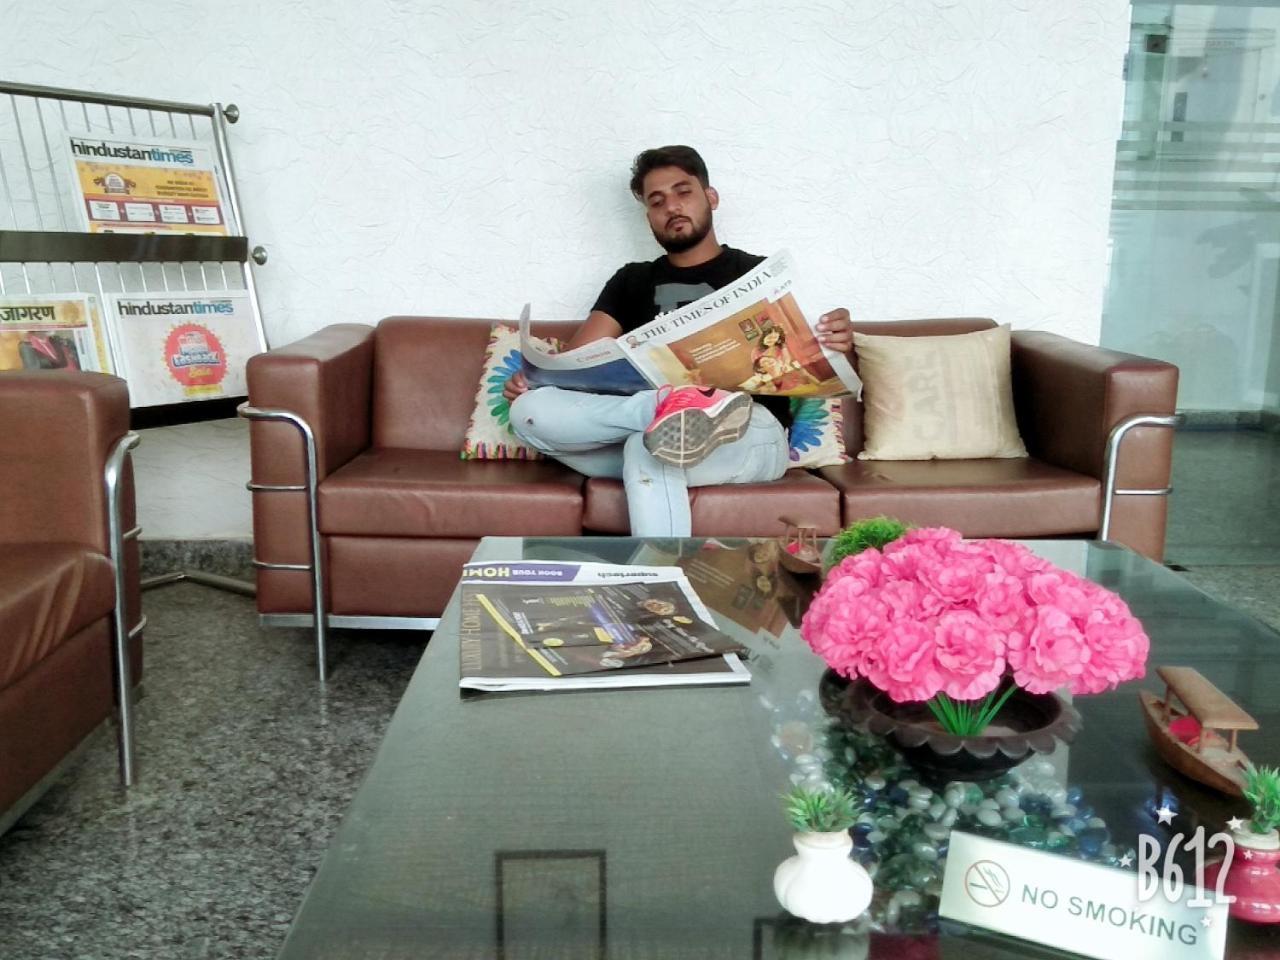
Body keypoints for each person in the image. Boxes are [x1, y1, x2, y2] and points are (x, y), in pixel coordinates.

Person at [505, 145, 853, 537]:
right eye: (657, 201)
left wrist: (835, 337)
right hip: (639, 428)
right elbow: (578, 362)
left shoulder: (756, 275)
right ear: (649, 217)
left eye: (683, 192)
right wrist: (538, 378)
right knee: (528, 411)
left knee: (651, 449)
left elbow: (810, 351)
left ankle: (661, 572)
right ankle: (664, 408)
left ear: (711, 197)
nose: (671, 206)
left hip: (750, 432)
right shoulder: (631, 281)